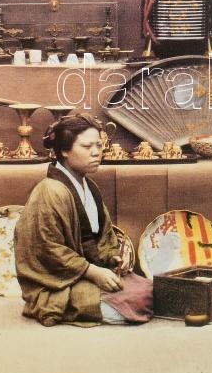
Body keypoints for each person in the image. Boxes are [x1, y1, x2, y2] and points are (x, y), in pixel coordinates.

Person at [14, 113, 153, 326]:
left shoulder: (89, 186)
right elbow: (48, 249)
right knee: (135, 301)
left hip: (84, 271)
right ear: (64, 150)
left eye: (99, 145)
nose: (96, 152)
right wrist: (92, 272)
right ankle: (68, 306)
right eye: (87, 147)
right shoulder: (49, 191)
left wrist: (112, 257)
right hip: (56, 281)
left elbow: (103, 235)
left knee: (148, 289)